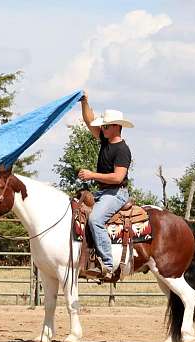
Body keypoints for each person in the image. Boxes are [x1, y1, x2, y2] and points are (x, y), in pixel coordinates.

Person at [77, 90, 133, 279]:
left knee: (95, 220)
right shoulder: (105, 140)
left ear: (116, 127)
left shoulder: (122, 150)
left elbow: (118, 178)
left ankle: (107, 265)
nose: (103, 128)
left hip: (116, 192)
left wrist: (92, 175)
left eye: (106, 126)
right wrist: (84, 102)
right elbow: (89, 120)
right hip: (103, 191)